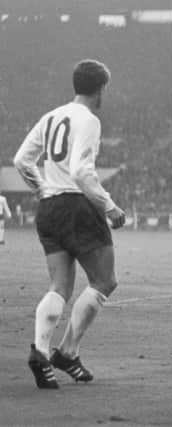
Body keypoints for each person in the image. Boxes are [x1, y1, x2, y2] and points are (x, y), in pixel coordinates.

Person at [13, 59, 126, 389]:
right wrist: (110, 205)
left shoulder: (51, 116)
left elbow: (22, 160)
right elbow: (80, 171)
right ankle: (67, 352)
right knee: (105, 281)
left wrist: (43, 189)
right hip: (77, 205)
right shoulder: (89, 120)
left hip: (49, 207)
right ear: (101, 89)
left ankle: (41, 351)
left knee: (59, 286)